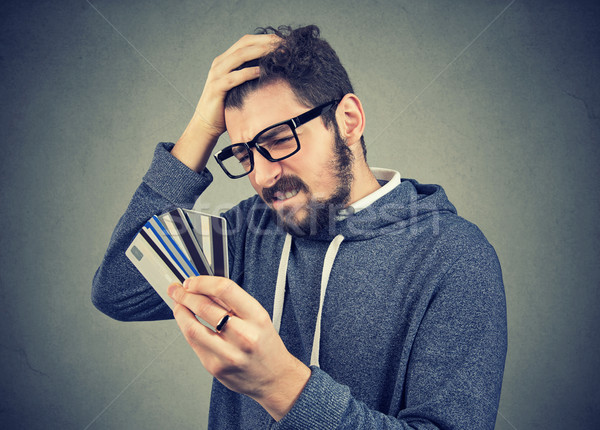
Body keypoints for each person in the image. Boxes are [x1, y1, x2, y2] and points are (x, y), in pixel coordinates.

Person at [92, 25, 507, 429]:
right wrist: (202, 126)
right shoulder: (248, 229)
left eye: (277, 140)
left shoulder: (453, 257)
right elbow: (119, 289)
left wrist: (279, 386)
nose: (262, 175)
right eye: (243, 155)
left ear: (348, 121)